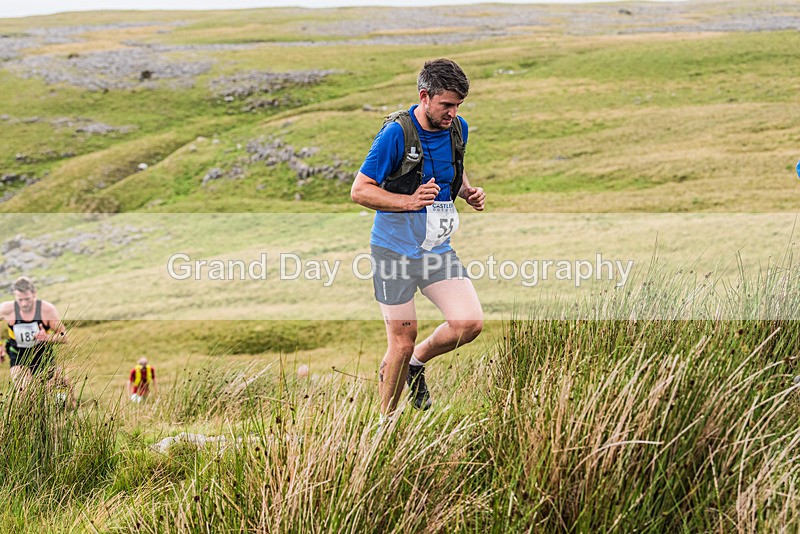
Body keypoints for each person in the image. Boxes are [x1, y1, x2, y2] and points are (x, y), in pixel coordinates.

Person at [351, 58, 485, 423]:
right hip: (393, 251)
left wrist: (467, 191)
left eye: (458, 105)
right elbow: (360, 191)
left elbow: (451, 168)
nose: (453, 113)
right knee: (401, 338)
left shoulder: (458, 128)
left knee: (468, 323)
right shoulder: (397, 133)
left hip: (436, 249)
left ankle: (416, 364)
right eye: (446, 105)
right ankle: (384, 426)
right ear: (424, 96)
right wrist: (408, 202)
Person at [0, 276, 68, 390]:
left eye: (27, 299)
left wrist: (47, 337)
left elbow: (64, 337)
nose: (24, 304)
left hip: (43, 355)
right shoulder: (6, 309)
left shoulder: (47, 310)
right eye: (20, 300)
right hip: (18, 355)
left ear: (34, 294)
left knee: (62, 392)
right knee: (25, 391)